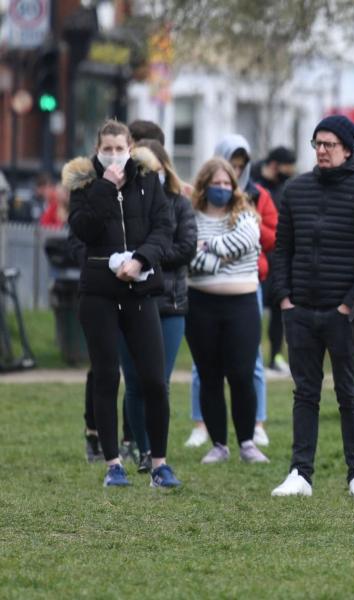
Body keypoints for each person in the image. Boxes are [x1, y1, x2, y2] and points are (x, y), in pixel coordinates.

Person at [63, 119, 180, 488]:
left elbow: (164, 228)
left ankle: (159, 462)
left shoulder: (148, 180)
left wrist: (141, 259)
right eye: (107, 148)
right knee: (107, 375)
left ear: (131, 146)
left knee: (153, 379)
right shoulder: (84, 183)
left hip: (140, 289)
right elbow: (82, 229)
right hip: (99, 292)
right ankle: (113, 462)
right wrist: (103, 188)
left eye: (119, 147)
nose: (114, 155)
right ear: (98, 148)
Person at [269, 115, 354, 499]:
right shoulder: (296, 190)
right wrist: (284, 298)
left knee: (350, 392)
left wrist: (349, 306)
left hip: (343, 314)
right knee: (305, 393)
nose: (322, 150)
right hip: (300, 310)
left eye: (330, 144)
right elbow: (282, 249)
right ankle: (300, 472)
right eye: (317, 143)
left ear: (347, 148)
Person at [185, 136, 277, 448]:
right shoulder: (190, 218)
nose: (223, 186)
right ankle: (219, 445)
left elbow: (248, 242)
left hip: (242, 305)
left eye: (228, 181)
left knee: (242, 374)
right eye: (216, 181)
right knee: (209, 376)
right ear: (203, 184)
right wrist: (220, 258)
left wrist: (208, 247)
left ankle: (248, 442)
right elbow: (187, 257)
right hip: (201, 305)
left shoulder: (247, 215)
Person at [116, 140, 196, 474]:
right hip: (130, 300)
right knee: (134, 382)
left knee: (158, 382)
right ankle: (144, 449)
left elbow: (186, 246)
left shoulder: (178, 203)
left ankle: (157, 449)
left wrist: (147, 257)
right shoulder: (121, 203)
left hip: (169, 302)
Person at [252, 146, 297, 375]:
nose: (291, 171)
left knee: (280, 308)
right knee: (255, 310)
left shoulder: (285, 187)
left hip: (278, 257)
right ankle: (254, 354)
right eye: (288, 167)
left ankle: (276, 357)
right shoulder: (251, 182)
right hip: (256, 258)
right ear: (274, 164)